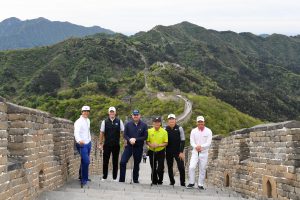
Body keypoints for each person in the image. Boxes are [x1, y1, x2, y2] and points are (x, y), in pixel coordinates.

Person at [119, 110, 148, 183]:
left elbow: (145, 137)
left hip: (138, 147)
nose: (135, 116)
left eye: (137, 115)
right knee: (122, 162)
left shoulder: (144, 125)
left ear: (139, 115)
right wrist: (129, 139)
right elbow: (125, 135)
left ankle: (135, 179)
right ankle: (122, 179)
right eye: (134, 115)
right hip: (129, 146)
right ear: (132, 116)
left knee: (136, 164)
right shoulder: (128, 124)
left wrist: (136, 139)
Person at [186, 116, 212, 190]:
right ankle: (191, 182)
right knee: (191, 167)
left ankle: (200, 184)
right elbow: (192, 141)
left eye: (201, 122)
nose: (200, 123)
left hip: (204, 153)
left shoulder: (209, 131)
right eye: (199, 122)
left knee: (202, 168)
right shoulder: (193, 131)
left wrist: (201, 146)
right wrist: (196, 146)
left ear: (204, 122)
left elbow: (208, 143)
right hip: (195, 152)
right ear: (196, 123)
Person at [99, 106, 124, 181]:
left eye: (113, 112)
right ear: (108, 113)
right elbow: (101, 133)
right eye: (110, 112)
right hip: (107, 144)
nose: (112, 113)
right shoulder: (104, 122)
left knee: (115, 161)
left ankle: (114, 177)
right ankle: (104, 176)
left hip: (116, 144)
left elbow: (123, 131)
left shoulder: (119, 121)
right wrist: (100, 143)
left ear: (115, 113)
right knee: (105, 161)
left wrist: (123, 141)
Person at [165, 114, 186, 187]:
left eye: (173, 119)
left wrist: (181, 151)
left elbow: (183, 140)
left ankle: (182, 183)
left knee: (181, 167)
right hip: (168, 151)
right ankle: (172, 181)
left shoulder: (179, 128)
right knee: (169, 167)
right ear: (168, 121)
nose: (171, 120)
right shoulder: (165, 129)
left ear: (175, 120)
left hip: (178, 152)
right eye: (170, 119)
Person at [147, 117, 168, 185]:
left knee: (160, 168)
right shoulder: (149, 131)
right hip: (151, 151)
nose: (157, 123)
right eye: (155, 122)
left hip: (161, 151)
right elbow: (147, 141)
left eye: (158, 122)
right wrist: (151, 145)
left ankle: (160, 180)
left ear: (160, 123)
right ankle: (154, 180)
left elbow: (166, 143)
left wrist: (158, 145)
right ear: (153, 123)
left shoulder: (164, 132)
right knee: (153, 166)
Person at [74, 106, 92, 186]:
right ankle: (83, 180)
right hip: (82, 144)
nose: (86, 112)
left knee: (84, 160)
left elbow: (87, 131)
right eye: (84, 111)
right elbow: (76, 132)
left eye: (87, 111)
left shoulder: (88, 120)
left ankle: (83, 176)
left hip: (88, 143)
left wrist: (90, 140)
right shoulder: (78, 122)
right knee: (86, 161)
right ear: (81, 112)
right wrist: (79, 140)